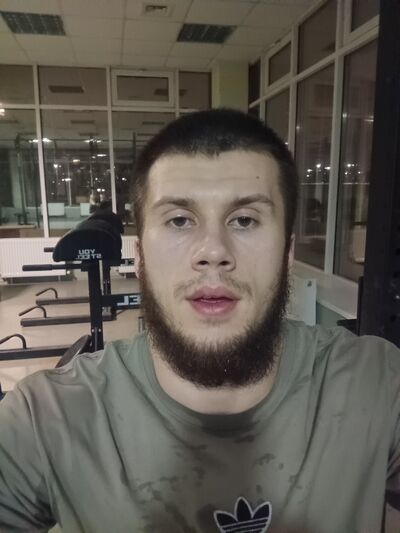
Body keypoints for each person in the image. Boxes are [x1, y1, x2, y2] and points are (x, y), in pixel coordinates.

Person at [0, 108, 399, 533]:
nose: (213, 251)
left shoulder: (376, 384)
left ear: (286, 253)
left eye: (244, 220)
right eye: (179, 220)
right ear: (140, 256)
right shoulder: (47, 418)